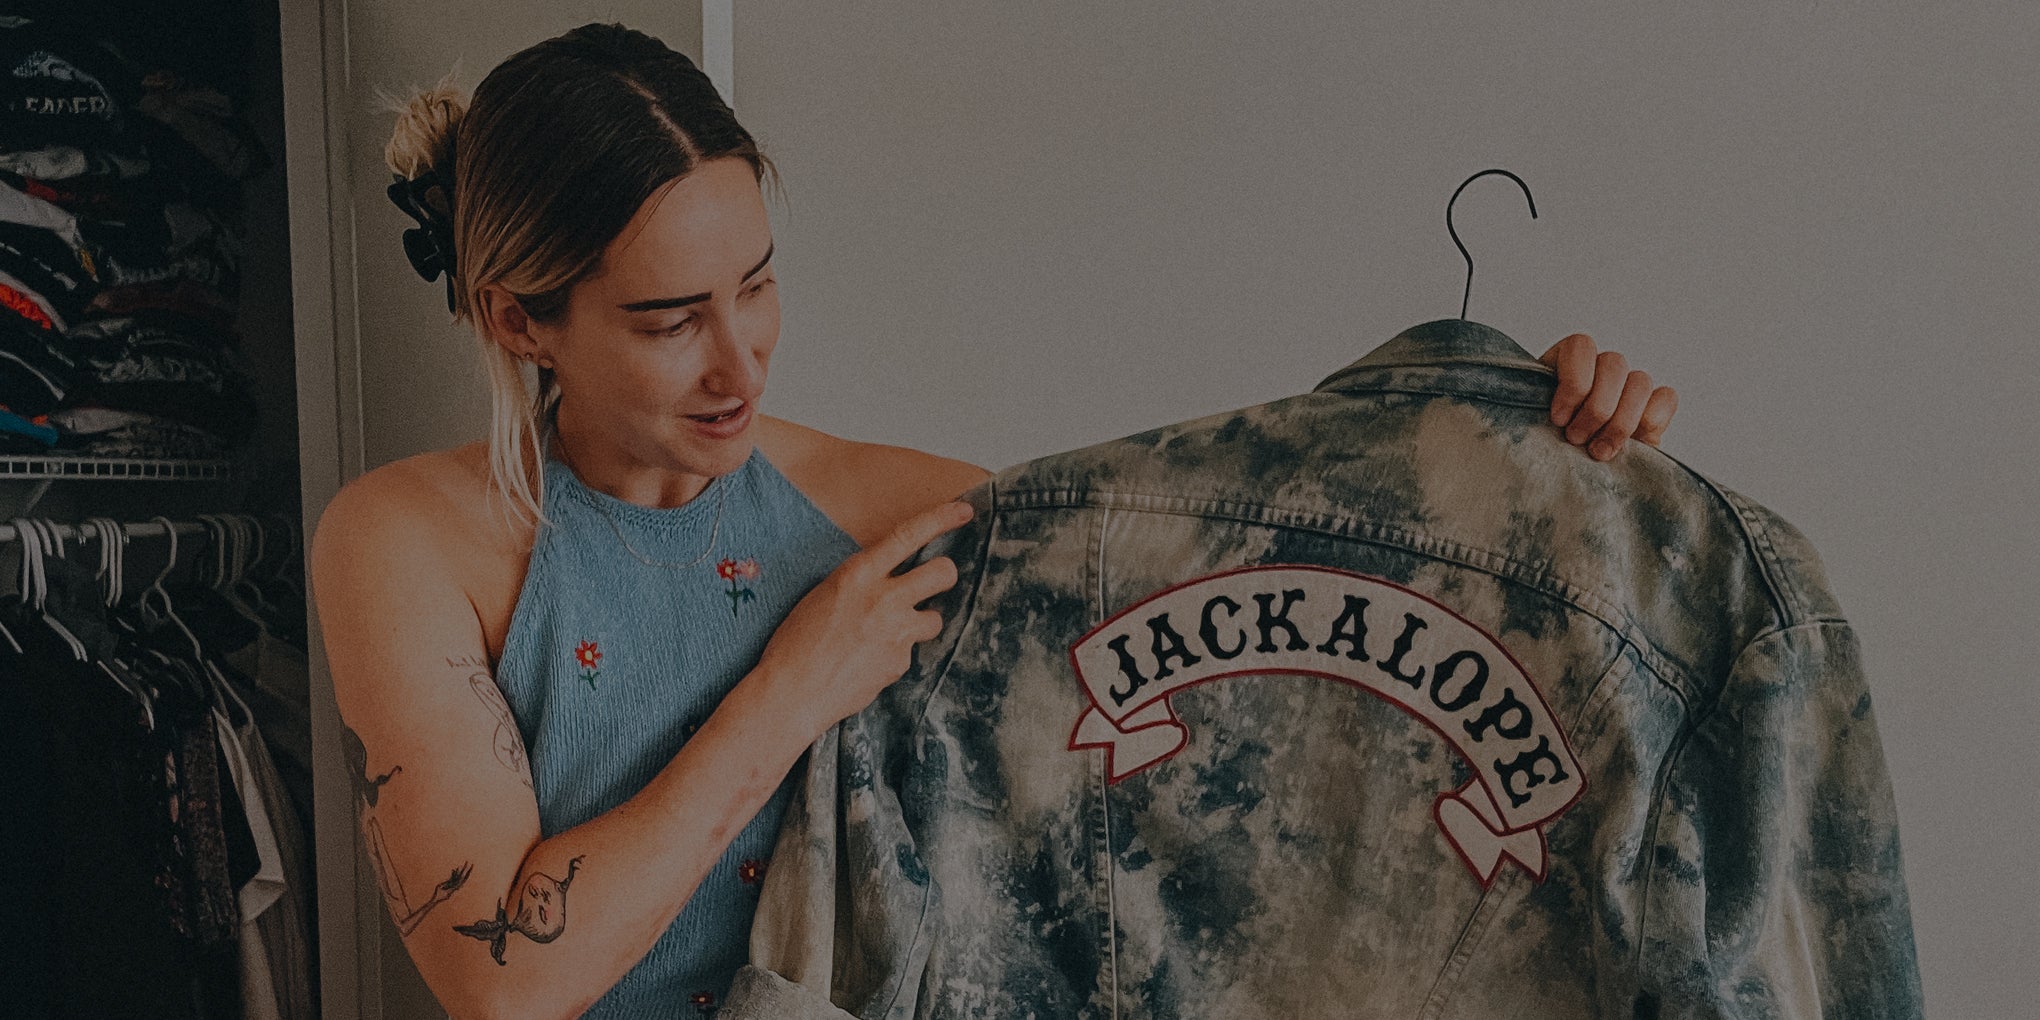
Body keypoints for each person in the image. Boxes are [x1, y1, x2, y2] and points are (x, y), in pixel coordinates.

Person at [308, 22, 1678, 1020]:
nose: (742, 360)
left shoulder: (877, 508)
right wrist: (795, 685)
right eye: (669, 321)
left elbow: (1274, 546)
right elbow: (506, 977)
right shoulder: (407, 543)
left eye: (759, 285)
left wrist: (1516, 434)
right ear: (519, 320)